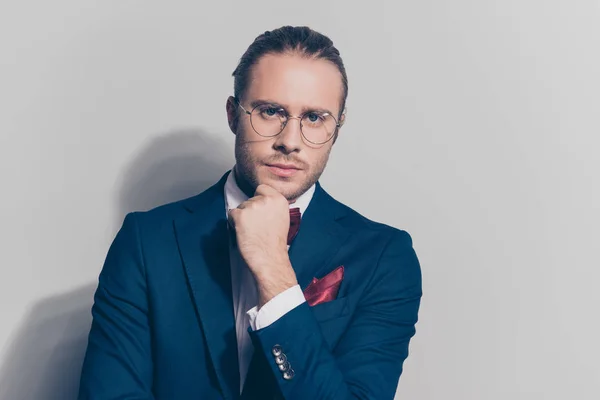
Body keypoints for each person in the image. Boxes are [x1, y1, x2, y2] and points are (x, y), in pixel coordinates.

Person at [78, 25, 422, 400]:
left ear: (337, 128)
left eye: (314, 118)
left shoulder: (385, 257)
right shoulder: (146, 241)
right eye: (270, 111)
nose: (290, 141)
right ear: (232, 114)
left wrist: (274, 269)